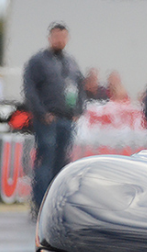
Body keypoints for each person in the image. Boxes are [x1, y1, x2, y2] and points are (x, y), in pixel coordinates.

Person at [23, 21, 85, 217]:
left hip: (67, 120)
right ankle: (39, 205)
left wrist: (78, 110)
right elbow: (30, 89)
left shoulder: (71, 62)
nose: (60, 40)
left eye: (63, 37)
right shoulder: (39, 61)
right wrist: (41, 113)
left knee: (61, 165)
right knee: (45, 163)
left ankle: (55, 206)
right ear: (50, 38)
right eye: (57, 36)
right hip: (48, 120)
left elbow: (80, 87)